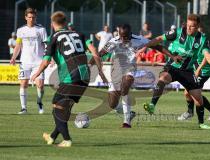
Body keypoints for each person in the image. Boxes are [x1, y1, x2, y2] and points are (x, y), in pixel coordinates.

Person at [31, 11, 107, 147]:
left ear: (52, 23)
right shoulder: (79, 34)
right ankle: (52, 137)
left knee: (56, 106)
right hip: (85, 76)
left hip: (70, 76)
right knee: (64, 108)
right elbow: (95, 51)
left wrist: (36, 74)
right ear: (66, 23)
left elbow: (45, 62)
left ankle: (66, 139)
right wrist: (101, 72)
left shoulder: (53, 37)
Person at [138, 14, 210, 129]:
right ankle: (152, 105)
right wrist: (145, 46)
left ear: (198, 26)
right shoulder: (177, 32)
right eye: (188, 25)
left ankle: (201, 124)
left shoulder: (202, 39)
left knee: (198, 99)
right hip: (173, 67)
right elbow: (159, 38)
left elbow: (206, 53)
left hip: (187, 71)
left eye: (192, 26)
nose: (189, 28)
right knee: (163, 78)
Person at [99, 24, 176, 128]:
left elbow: (158, 47)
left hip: (130, 69)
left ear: (130, 34)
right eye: (121, 36)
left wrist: (172, 56)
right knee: (112, 104)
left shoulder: (140, 39)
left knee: (125, 86)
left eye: (125, 37)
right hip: (116, 72)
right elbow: (100, 53)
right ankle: (130, 114)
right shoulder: (113, 41)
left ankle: (126, 122)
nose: (123, 39)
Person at [10, 8, 47, 114]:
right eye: (29, 17)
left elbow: (46, 45)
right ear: (26, 17)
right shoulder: (21, 30)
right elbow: (18, 45)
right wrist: (13, 57)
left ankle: (39, 103)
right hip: (24, 62)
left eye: (33, 17)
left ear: (36, 17)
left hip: (38, 62)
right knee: (23, 84)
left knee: (40, 85)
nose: (31, 19)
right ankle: (23, 108)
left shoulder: (41, 30)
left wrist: (49, 58)